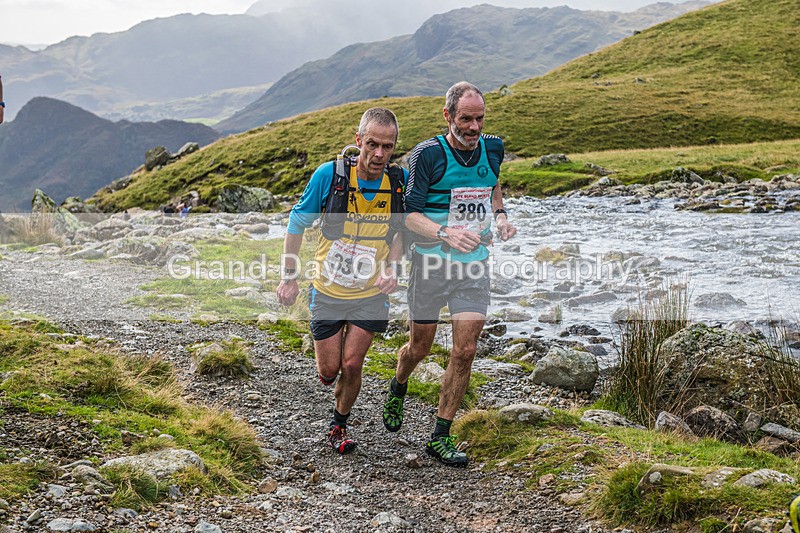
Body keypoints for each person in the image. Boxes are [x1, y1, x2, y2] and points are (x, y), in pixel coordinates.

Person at [382, 81, 516, 467]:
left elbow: (492, 185)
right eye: (465, 119)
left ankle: (440, 435)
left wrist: (502, 217)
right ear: (448, 116)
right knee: (419, 348)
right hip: (429, 265)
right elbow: (407, 215)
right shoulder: (426, 156)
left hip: (473, 266)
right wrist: (445, 232)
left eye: (480, 119)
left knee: (465, 351)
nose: (474, 128)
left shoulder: (493, 146)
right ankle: (399, 382)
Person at [276, 107, 407, 454]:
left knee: (353, 364)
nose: (379, 154)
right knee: (330, 369)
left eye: (388, 147)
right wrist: (289, 277)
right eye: (373, 144)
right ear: (358, 139)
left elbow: (399, 232)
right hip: (328, 289)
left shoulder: (396, 182)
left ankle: (339, 425)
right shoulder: (329, 176)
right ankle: (328, 375)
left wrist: (392, 267)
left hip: (369, 293)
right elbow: (297, 224)